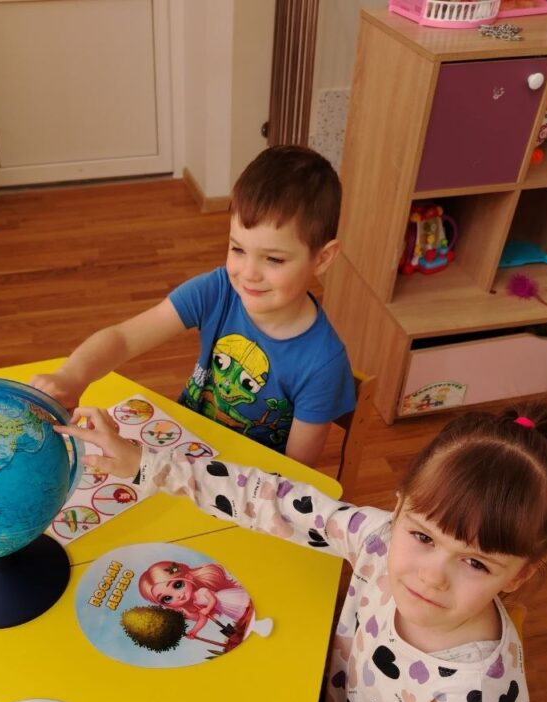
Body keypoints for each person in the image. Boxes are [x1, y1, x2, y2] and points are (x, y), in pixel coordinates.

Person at [58, 402, 547, 702]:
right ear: (397, 509)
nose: (432, 576)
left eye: (476, 563)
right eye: (422, 537)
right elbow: (276, 500)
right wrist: (149, 464)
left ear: (519, 575)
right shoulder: (380, 539)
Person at [31, 145, 355, 467]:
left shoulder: (323, 364)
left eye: (273, 259)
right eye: (237, 249)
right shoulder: (218, 289)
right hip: (181, 451)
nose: (248, 273)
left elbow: (295, 474)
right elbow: (124, 338)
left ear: (323, 258)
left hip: (245, 486)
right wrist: (72, 376)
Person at [138, 559, 253, 640]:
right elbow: (202, 619)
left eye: (178, 585)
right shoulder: (195, 604)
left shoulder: (201, 591)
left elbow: (213, 600)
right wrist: (194, 631)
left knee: (249, 608)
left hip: (230, 599)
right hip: (228, 610)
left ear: (188, 577)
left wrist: (207, 609)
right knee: (246, 620)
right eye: (167, 598)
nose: (178, 596)